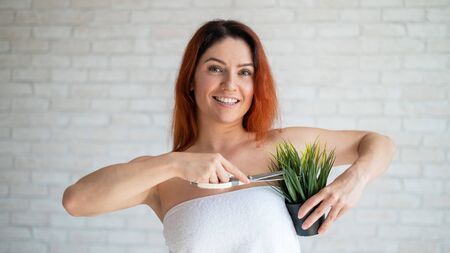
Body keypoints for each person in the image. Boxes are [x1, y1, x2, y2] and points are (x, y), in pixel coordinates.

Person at [62, 19, 397, 252]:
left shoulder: (282, 147)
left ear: (255, 84)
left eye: (245, 72)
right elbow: (76, 201)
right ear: (191, 80)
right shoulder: (163, 176)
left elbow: (377, 143)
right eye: (215, 68)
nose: (230, 84)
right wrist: (176, 163)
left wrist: (355, 179)